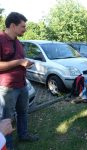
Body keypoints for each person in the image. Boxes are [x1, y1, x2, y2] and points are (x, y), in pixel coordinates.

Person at [0, 12, 38, 149]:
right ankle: (7, 145)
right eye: (23, 26)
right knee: (7, 119)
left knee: (23, 112)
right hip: (7, 88)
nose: (25, 29)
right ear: (12, 25)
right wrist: (20, 62)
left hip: (22, 84)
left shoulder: (17, 41)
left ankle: (23, 135)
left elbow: (19, 61)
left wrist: (26, 62)